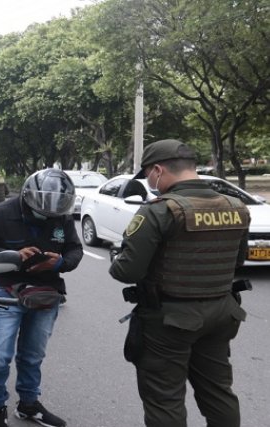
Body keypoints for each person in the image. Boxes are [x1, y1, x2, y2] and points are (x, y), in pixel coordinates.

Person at [109, 139, 250, 427]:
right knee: (219, 393)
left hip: (170, 320)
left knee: (165, 399)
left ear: (158, 170)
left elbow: (126, 272)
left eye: (148, 174)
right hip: (223, 313)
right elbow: (238, 260)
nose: (149, 181)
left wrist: (118, 255)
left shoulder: (158, 211)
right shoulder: (235, 206)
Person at [0, 168, 82, 427]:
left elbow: (75, 249)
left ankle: (29, 404)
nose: (51, 214)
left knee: (32, 355)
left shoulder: (62, 218)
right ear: (29, 196)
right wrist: (13, 255)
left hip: (45, 293)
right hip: (6, 290)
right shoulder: (1, 213)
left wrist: (59, 263)